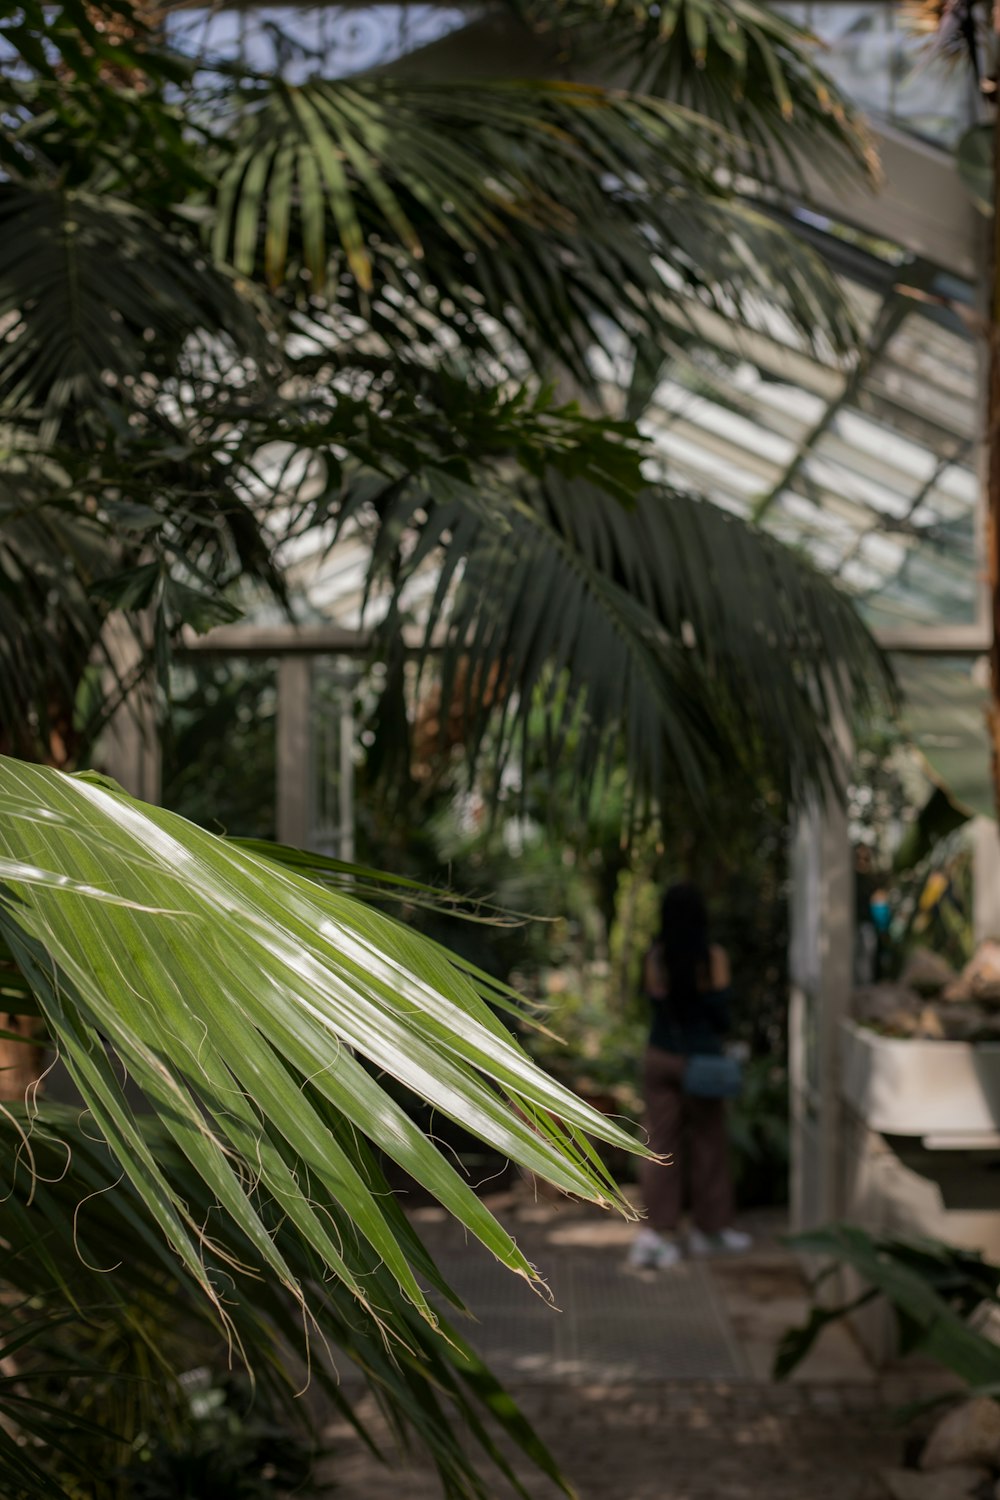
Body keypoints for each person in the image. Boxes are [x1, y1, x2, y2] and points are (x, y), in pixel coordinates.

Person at [627, 882, 751, 1270]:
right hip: (702, 1064)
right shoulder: (712, 958)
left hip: (660, 1057)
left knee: (660, 1145)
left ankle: (654, 1234)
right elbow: (721, 1016)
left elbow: (651, 1002)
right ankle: (709, 1230)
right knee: (709, 1144)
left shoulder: (656, 958)